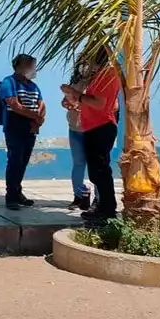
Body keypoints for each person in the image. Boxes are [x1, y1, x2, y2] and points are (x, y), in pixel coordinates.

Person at [61, 50, 121, 221]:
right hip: (92, 127)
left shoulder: (107, 76)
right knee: (96, 171)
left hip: (101, 126)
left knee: (100, 171)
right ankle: (103, 207)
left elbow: (100, 103)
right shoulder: (98, 76)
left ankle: (107, 209)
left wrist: (77, 95)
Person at [0, 54, 45, 210]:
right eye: (30, 66)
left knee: (23, 162)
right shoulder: (8, 82)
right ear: (19, 66)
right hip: (14, 128)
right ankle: (11, 195)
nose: (33, 69)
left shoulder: (33, 86)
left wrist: (38, 121)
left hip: (30, 129)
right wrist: (36, 117)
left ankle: (17, 191)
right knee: (15, 160)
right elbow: (14, 105)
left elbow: (41, 104)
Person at [62, 55, 92, 211]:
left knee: (96, 166)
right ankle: (78, 195)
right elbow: (65, 101)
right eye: (82, 63)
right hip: (74, 128)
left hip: (92, 129)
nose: (84, 66)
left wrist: (79, 102)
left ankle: (99, 200)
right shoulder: (76, 81)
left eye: (87, 63)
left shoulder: (97, 82)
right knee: (78, 163)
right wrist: (68, 103)